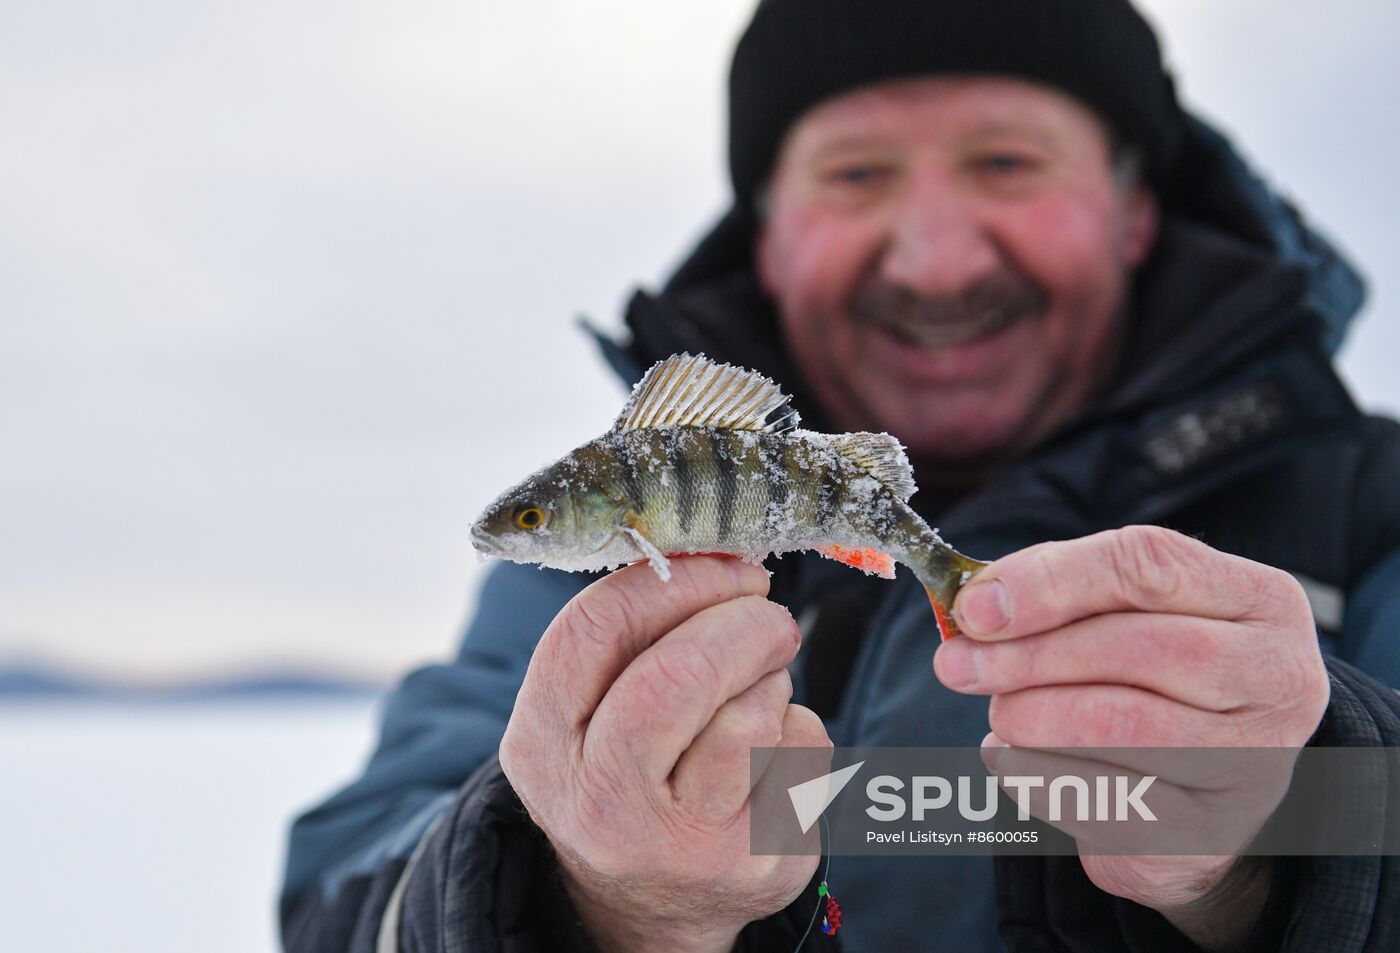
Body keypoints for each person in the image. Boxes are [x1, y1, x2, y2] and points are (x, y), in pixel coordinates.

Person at [280, 1, 1400, 950]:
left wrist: (1283, 838)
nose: (934, 257)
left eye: (1004, 162)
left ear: (1135, 213)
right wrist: (580, 893)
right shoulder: (575, 582)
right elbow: (341, 887)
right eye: (857, 173)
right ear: (766, 236)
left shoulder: (1369, 507)